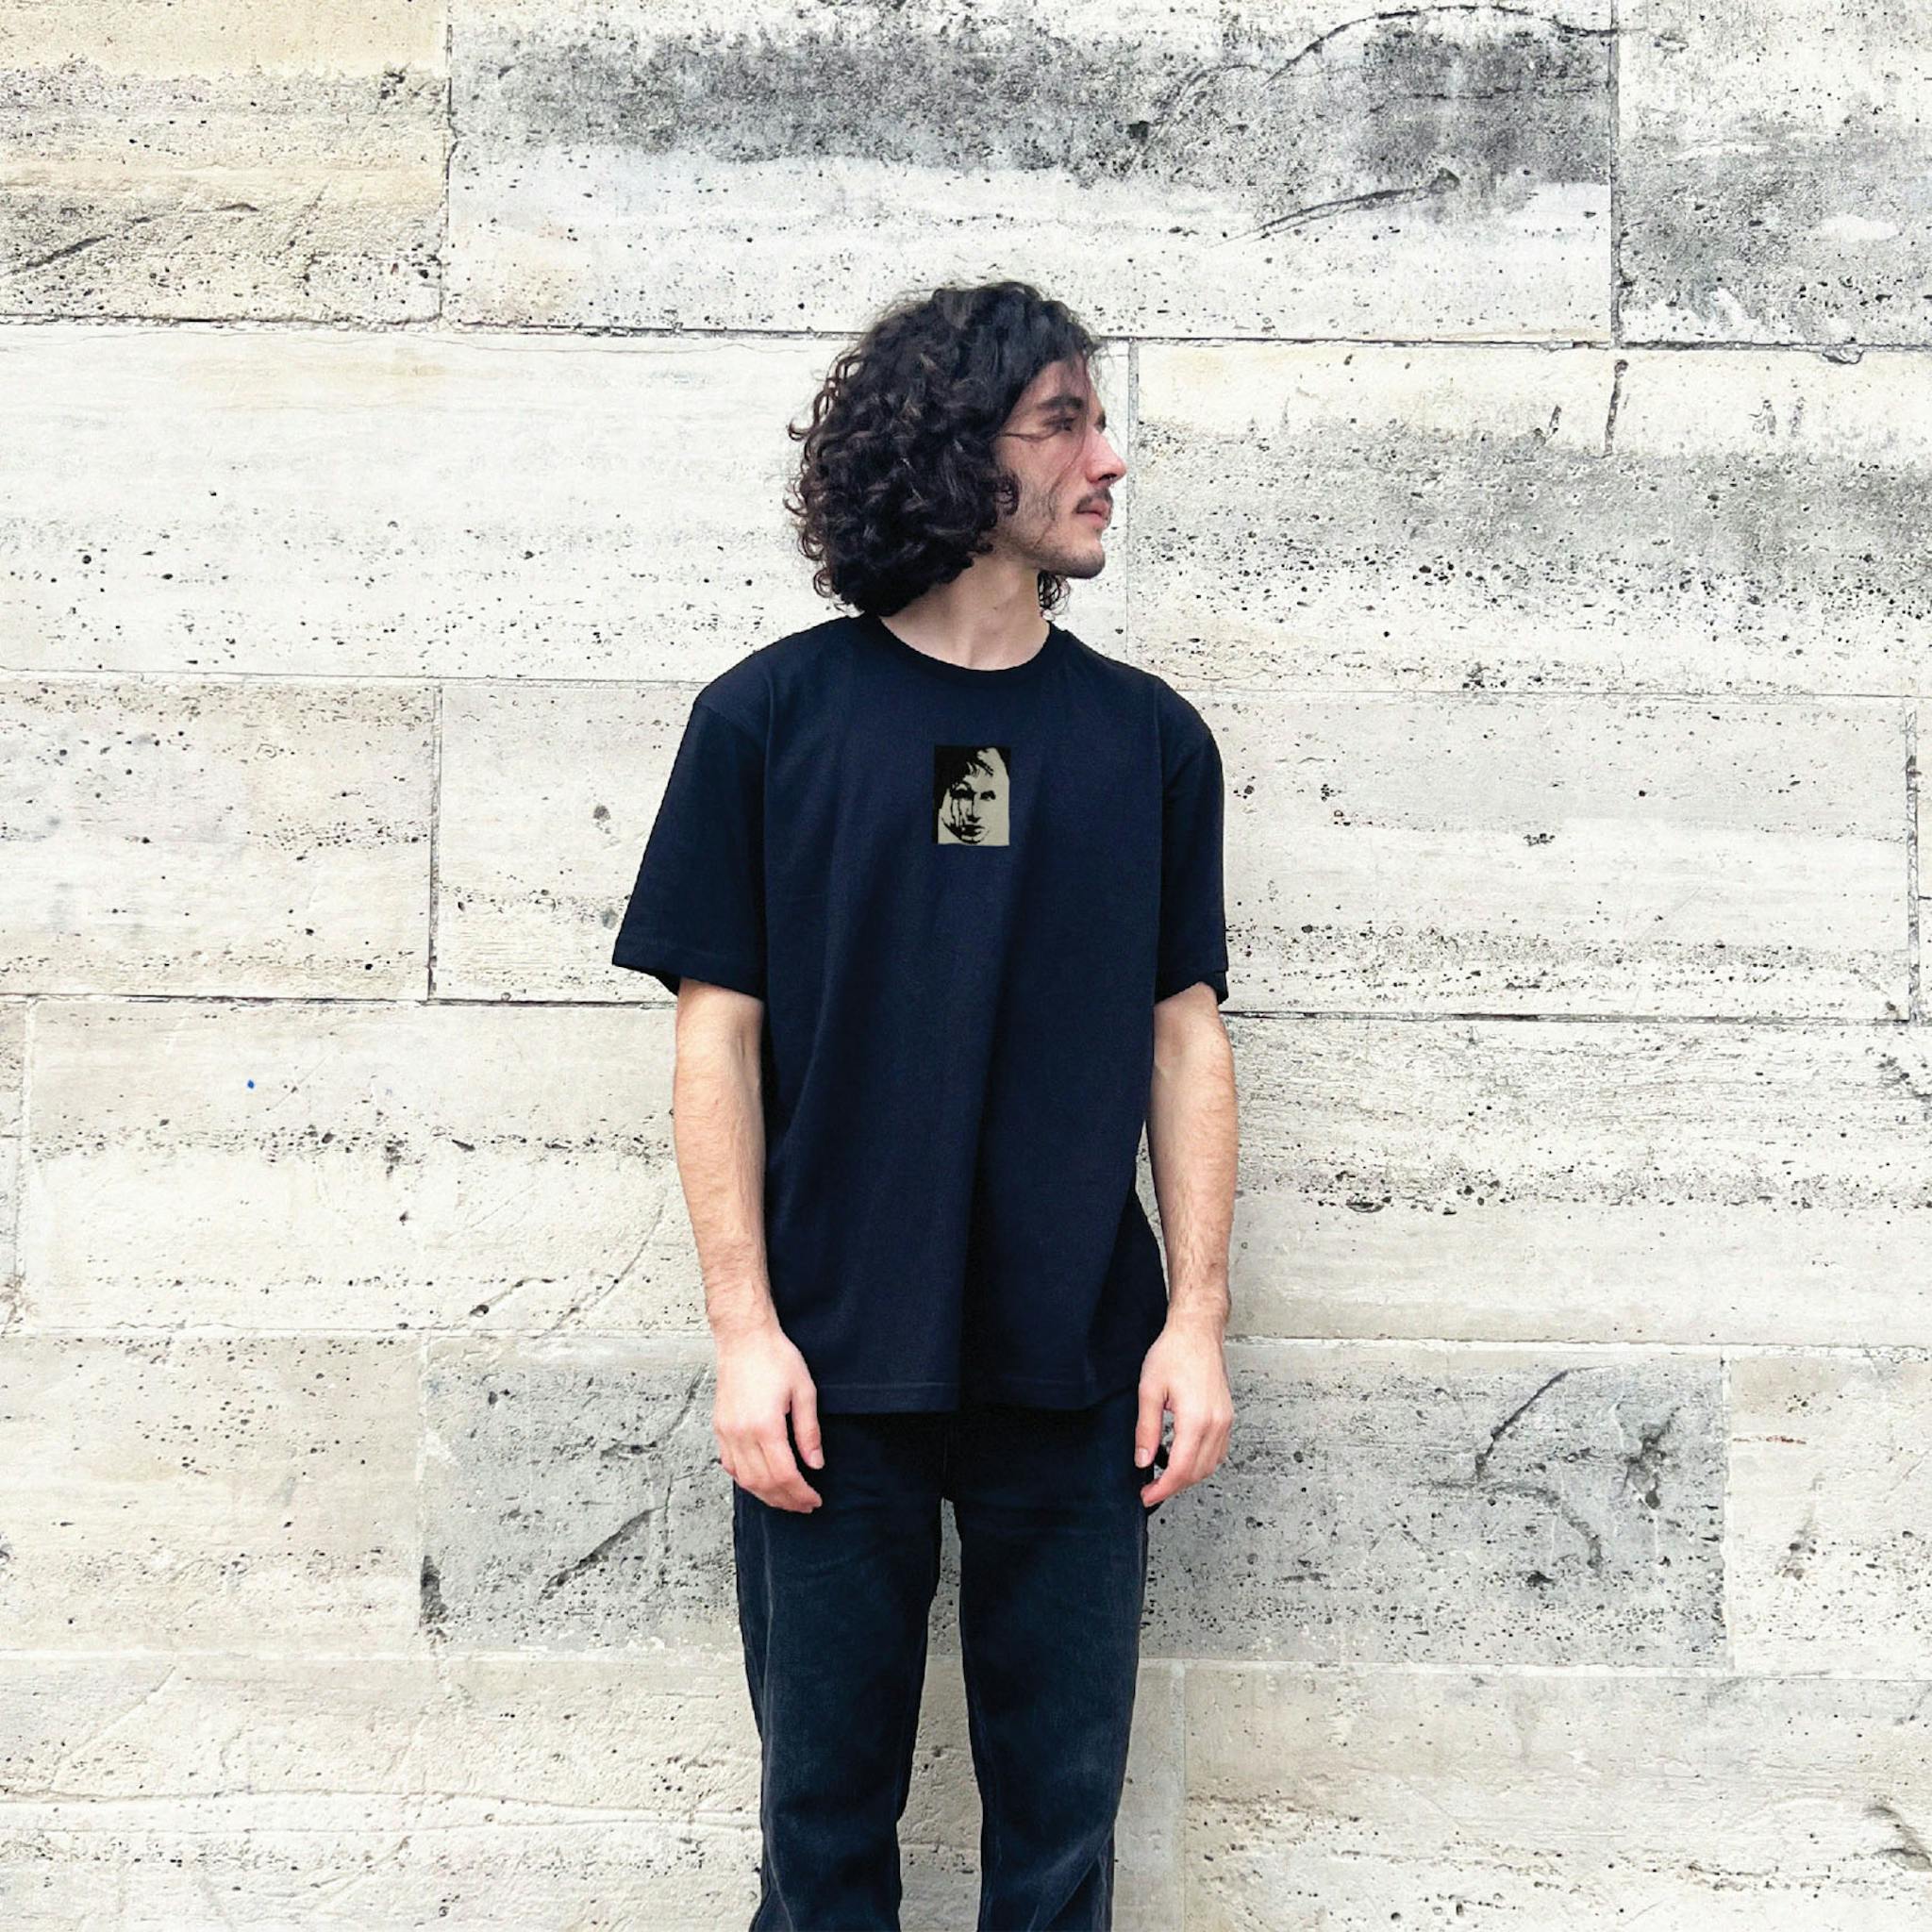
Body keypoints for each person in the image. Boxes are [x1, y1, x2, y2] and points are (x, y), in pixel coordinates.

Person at [610, 279, 1239, 1931]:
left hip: (1079, 1363)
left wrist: (1196, 1322)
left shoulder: (1149, 743)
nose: (1111, 460)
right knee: (820, 1839)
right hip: (829, 1364)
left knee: (1058, 1847)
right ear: (962, 456)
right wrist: (745, 1332)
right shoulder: (769, 721)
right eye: (1067, 424)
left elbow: (1186, 1037)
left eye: (1101, 421)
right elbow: (712, 1039)